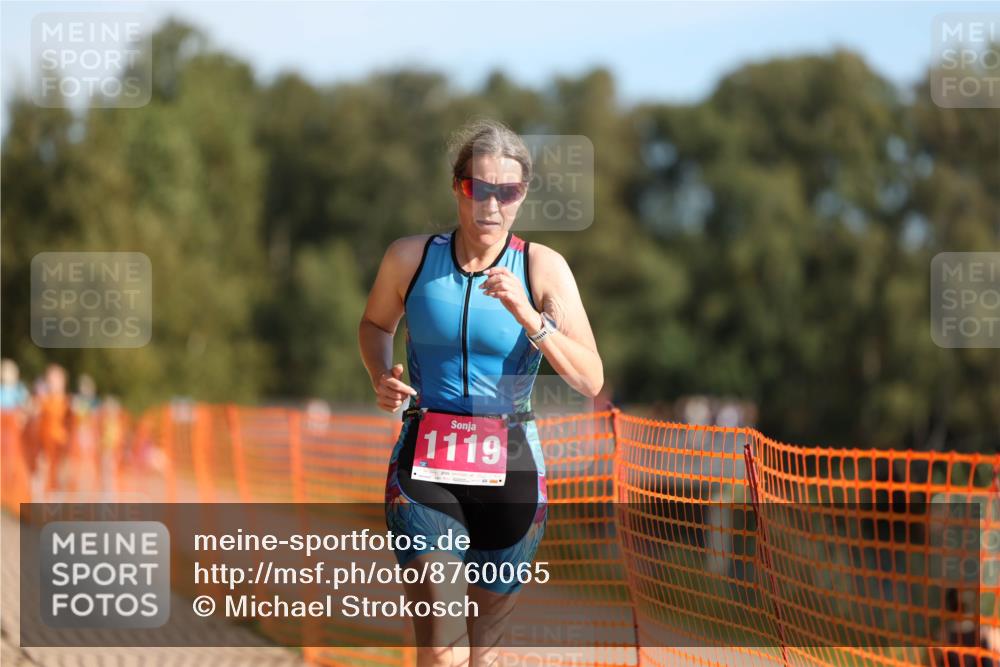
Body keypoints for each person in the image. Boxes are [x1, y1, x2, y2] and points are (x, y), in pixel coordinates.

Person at [359, 117, 603, 667]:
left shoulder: (542, 267)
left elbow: (590, 378)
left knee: (485, 650)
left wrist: (530, 318)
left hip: (512, 469)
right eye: (478, 188)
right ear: (457, 187)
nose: (490, 205)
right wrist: (381, 375)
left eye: (507, 191)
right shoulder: (410, 258)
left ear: (522, 195)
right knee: (442, 646)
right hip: (426, 462)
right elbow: (375, 326)